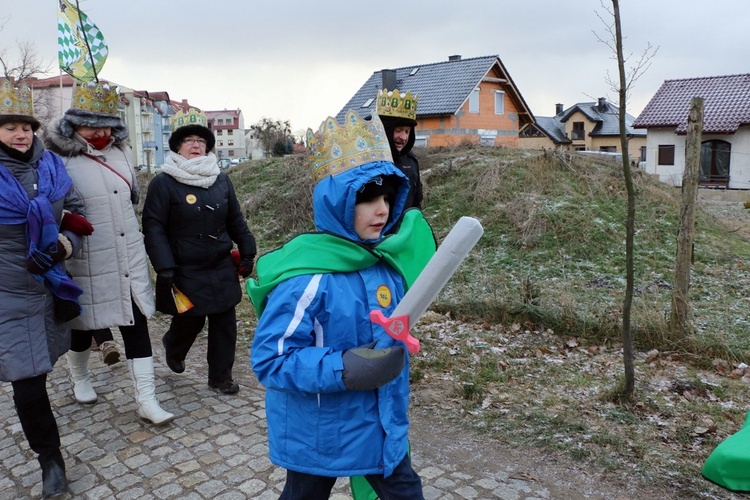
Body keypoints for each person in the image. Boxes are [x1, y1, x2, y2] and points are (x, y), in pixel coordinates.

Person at [247, 111, 437, 499]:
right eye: (367, 200)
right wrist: (344, 367)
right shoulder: (306, 278)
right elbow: (271, 359)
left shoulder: (386, 266)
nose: (382, 210)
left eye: (386, 198)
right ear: (337, 202)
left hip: (380, 427)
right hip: (320, 434)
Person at [44, 80, 174, 425]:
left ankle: (147, 400)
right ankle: (80, 378)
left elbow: (130, 199)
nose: (98, 131)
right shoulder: (57, 158)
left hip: (128, 254)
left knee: (136, 322)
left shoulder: (121, 152)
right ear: (74, 124)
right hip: (86, 256)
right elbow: (52, 206)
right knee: (83, 326)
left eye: (104, 124)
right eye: (90, 124)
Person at [0, 79, 88, 498]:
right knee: (27, 379)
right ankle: (50, 460)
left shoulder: (53, 167)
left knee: (45, 363)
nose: (20, 134)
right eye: (9, 127)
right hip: (6, 294)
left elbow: (76, 211)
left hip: (51, 286)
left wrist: (66, 245)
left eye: (26, 126)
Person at [142, 108, 256, 395]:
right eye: (189, 140)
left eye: (201, 141)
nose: (196, 145)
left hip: (220, 262)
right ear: (177, 146)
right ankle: (174, 346)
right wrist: (164, 266)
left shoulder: (221, 180)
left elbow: (235, 219)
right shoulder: (163, 183)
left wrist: (247, 250)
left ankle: (221, 377)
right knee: (191, 318)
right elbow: (153, 228)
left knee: (225, 321)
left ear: (208, 147)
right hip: (185, 265)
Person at [376, 88, 423, 209]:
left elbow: (416, 202)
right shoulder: (367, 159)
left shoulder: (411, 160)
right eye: (398, 130)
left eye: (407, 131)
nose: (403, 137)